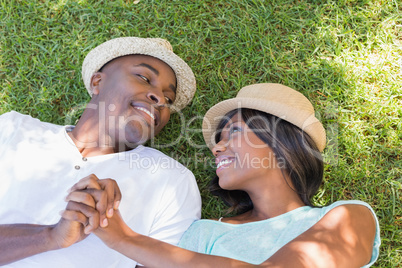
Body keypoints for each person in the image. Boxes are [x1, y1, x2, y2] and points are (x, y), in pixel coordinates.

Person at [65, 83, 380, 267]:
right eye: (219, 139)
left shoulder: (349, 217)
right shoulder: (201, 234)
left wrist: (124, 238)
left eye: (235, 132)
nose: (217, 148)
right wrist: (100, 212)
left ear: (283, 142)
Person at [0, 37, 201, 267]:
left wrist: (121, 236)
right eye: (144, 78)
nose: (159, 99)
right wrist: (50, 237)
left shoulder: (172, 180)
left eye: (169, 99)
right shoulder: (12, 130)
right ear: (97, 82)